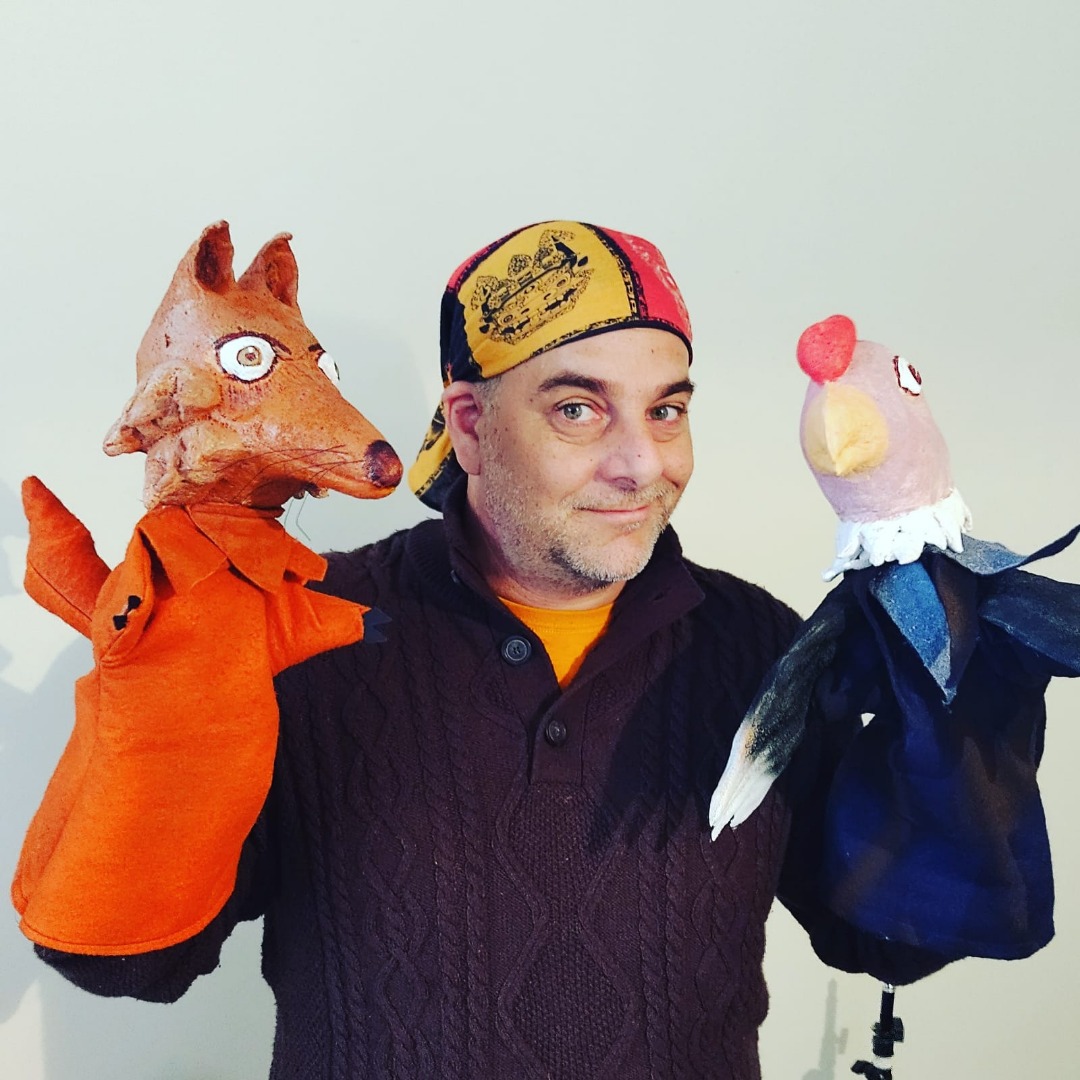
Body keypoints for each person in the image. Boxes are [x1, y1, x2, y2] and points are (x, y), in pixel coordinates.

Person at [24, 221, 944, 1079]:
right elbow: (129, 966)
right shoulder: (302, 632)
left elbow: (887, 940)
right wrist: (166, 703)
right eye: (579, 409)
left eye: (666, 411)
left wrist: (964, 718)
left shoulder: (762, 645)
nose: (643, 464)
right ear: (468, 425)